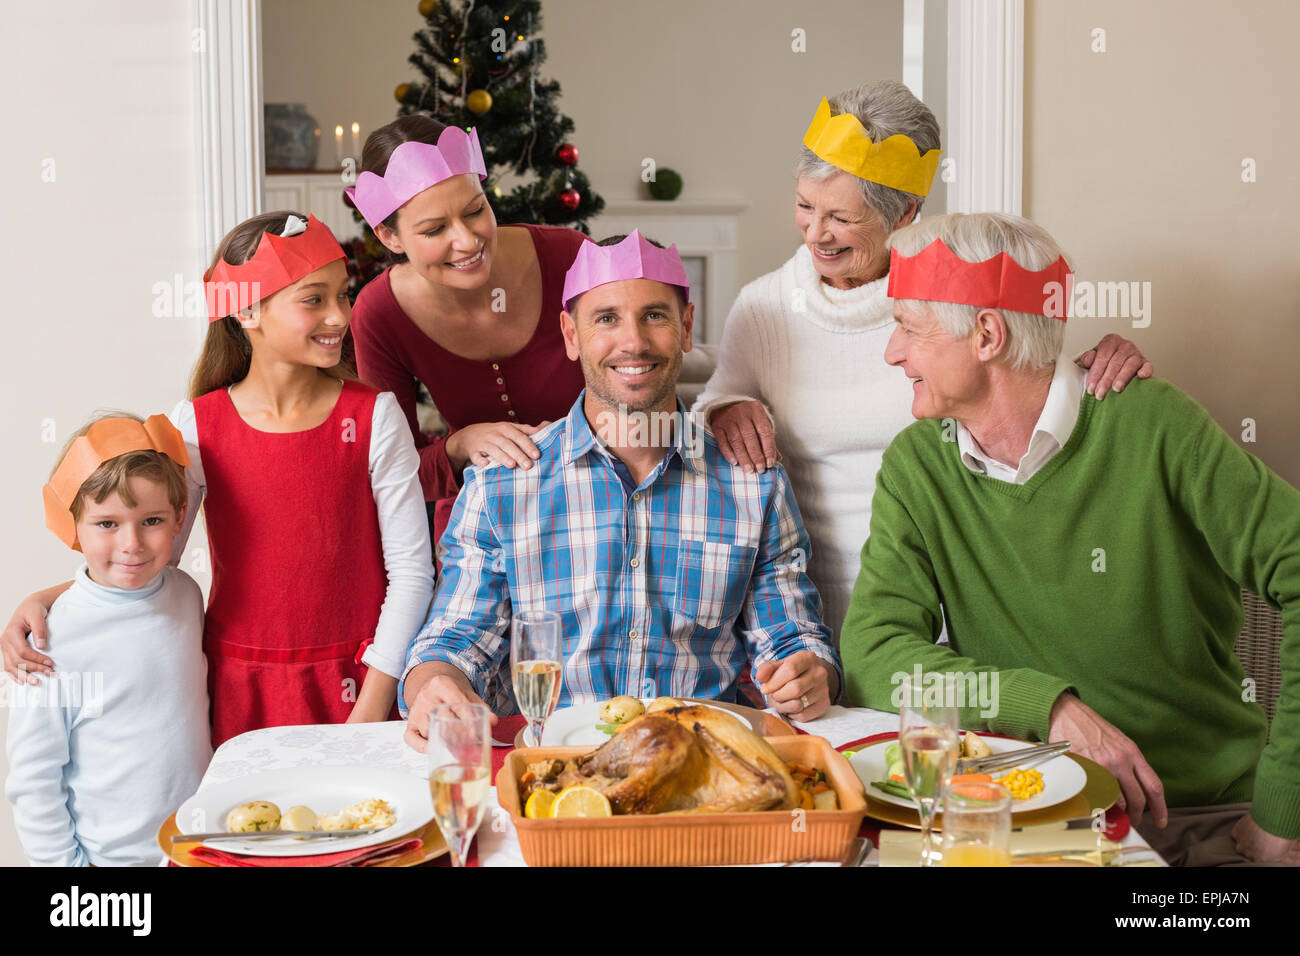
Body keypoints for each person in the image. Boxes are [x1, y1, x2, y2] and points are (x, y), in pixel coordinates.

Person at [840, 211, 1300, 865]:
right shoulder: (917, 466)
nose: (893, 352)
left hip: (1198, 817)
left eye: (908, 328)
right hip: (1018, 819)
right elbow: (872, 656)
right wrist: (1048, 705)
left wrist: (1286, 807)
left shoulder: (1155, 425)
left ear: (987, 334)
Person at [695, 80, 1151, 643]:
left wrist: (1094, 370)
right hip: (809, 621)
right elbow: (707, 410)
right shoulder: (765, 307)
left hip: (960, 617)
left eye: (841, 217)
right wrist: (725, 408)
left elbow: (1026, 392)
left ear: (905, 212)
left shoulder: (956, 299)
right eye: (805, 206)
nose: (816, 233)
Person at [3, 213, 434, 746]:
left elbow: (413, 574)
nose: (339, 316)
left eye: (342, 296)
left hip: (363, 683)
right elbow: (157, 557)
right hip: (238, 688)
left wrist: (369, 712)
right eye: (313, 299)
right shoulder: (195, 427)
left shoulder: (375, 417)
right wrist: (52, 597)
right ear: (248, 309)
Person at [401, 232, 841, 752]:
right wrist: (436, 686)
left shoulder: (754, 482)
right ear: (570, 335)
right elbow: (455, 639)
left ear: (686, 328)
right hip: (553, 770)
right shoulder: (502, 484)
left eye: (654, 315)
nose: (632, 342)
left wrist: (811, 676)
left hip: (703, 764)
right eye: (606, 319)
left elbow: (794, 639)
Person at [347, 115, 587, 550]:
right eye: (434, 229)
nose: (467, 240)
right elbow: (392, 473)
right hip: (478, 534)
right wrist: (460, 445)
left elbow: (645, 382)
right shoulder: (379, 313)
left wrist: (725, 404)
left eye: (475, 210)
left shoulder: (570, 258)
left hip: (596, 511)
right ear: (388, 236)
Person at [6, 415, 210, 865]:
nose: (132, 543)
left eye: (151, 520)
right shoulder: (48, 639)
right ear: (72, 524)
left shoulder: (185, 594)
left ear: (180, 517)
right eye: (107, 524)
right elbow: (34, 778)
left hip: (198, 847)